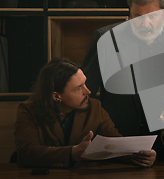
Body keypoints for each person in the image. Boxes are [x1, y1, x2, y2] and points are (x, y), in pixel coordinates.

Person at [81, 0, 164, 161]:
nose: (144, 24)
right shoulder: (105, 38)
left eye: (152, 17)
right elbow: (86, 93)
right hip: (120, 140)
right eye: (137, 16)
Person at [14, 57, 156, 168]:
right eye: (78, 88)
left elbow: (115, 145)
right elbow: (26, 153)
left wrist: (139, 156)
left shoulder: (95, 107)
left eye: (85, 84)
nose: (88, 91)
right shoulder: (29, 110)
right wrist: (71, 153)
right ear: (56, 96)